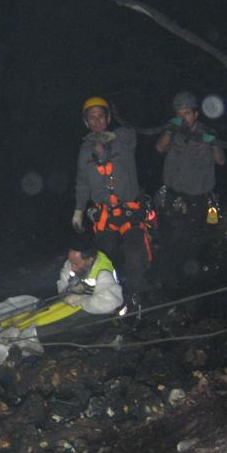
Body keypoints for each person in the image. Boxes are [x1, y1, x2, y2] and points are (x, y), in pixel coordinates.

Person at [71, 96, 149, 308]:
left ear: (107, 118)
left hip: (130, 211)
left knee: (134, 255)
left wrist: (111, 136)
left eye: (100, 116)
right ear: (86, 122)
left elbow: (131, 135)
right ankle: (111, 301)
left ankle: (137, 299)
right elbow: (82, 183)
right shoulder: (85, 150)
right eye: (91, 118)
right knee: (106, 260)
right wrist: (78, 210)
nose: (96, 121)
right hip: (105, 215)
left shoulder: (122, 139)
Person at [154, 91, 225, 289]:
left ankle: (190, 283)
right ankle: (165, 282)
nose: (182, 117)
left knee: (192, 241)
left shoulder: (207, 133)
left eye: (186, 113)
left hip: (198, 199)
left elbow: (221, 161)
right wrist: (169, 130)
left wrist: (214, 144)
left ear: (195, 114)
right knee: (169, 240)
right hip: (173, 197)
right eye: (179, 113)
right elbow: (160, 148)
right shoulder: (173, 132)